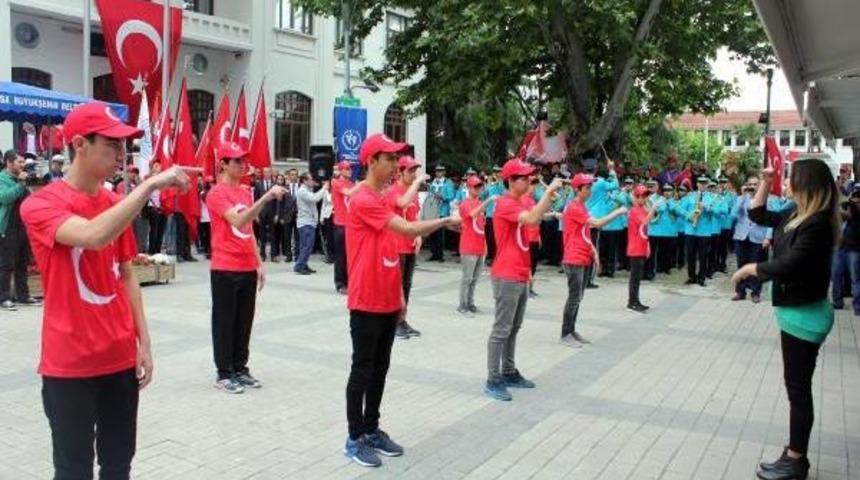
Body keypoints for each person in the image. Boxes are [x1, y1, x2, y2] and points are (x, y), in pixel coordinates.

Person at [20, 102, 195, 479]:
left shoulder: (116, 202)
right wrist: (150, 184)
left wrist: (144, 342)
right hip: (70, 363)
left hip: (118, 357)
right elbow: (92, 236)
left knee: (118, 465)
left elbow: (127, 274)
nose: (121, 153)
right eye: (112, 144)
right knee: (73, 469)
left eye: (124, 145)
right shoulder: (40, 204)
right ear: (79, 144)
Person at [343, 133, 456, 468]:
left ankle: (372, 428)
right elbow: (406, 232)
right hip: (365, 299)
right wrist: (448, 220)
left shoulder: (382, 197)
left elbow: (391, 249)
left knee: (381, 368)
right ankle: (354, 437)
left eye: (397, 159)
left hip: (386, 299)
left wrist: (399, 297)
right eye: (390, 159)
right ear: (371, 161)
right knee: (362, 369)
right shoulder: (364, 198)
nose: (395, 165)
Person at [732, 160, 839, 480]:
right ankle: (794, 454)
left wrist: (750, 269)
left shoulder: (817, 223)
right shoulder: (797, 213)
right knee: (797, 387)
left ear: (806, 183)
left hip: (805, 316)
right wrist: (766, 182)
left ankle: (796, 461)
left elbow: (791, 264)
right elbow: (758, 215)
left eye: (791, 178)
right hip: (796, 312)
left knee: (798, 389)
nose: (787, 182)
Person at [206, 142, 286, 394]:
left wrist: (258, 263)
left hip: (245, 267)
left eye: (244, 161)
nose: (243, 165)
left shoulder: (244, 192)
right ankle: (224, 372)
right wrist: (266, 197)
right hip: (224, 268)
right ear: (223, 164)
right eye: (237, 161)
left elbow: (248, 229)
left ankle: (240, 367)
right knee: (224, 321)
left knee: (244, 321)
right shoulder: (217, 193)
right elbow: (238, 219)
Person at [484, 158, 563, 402]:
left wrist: (548, 198)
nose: (529, 180)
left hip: (519, 272)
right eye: (523, 177)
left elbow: (535, 218)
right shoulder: (506, 203)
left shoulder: (520, 201)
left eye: (529, 176)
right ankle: (493, 378)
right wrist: (548, 192)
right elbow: (530, 220)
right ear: (510, 181)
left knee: (514, 327)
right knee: (501, 329)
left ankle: (508, 371)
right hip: (506, 273)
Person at [560, 173, 626, 347]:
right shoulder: (574, 207)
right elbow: (596, 223)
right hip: (573, 258)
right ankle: (565, 333)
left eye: (590, 187)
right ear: (577, 189)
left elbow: (584, 232)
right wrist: (618, 212)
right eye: (587, 188)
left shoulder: (582, 206)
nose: (590, 191)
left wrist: (593, 251)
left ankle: (571, 331)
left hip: (582, 256)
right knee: (574, 297)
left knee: (578, 297)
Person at [384, 156, 428, 339]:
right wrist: (417, 182)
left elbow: (415, 215)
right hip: (396, 246)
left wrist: (418, 235)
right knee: (397, 287)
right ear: (399, 172)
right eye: (410, 170)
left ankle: (402, 320)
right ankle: (393, 324)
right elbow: (402, 203)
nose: (413, 174)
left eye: (415, 170)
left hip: (409, 246)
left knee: (407, 286)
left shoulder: (413, 192)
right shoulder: (393, 190)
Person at [0, 150, 40, 311]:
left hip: (23, 225)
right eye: (20, 162)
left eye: (23, 162)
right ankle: (4, 297)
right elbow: (5, 198)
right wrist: (20, 185)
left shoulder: (22, 178)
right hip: (7, 225)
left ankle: (23, 295)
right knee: (7, 263)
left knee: (22, 262)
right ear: (9, 163)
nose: (23, 165)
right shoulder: (2, 178)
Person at [457, 175, 496, 316]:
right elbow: (473, 214)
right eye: (475, 186)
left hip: (479, 247)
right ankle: (462, 305)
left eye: (480, 186)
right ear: (468, 188)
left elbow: (481, 227)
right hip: (468, 247)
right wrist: (489, 201)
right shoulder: (465, 204)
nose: (478, 189)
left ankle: (470, 303)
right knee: (467, 278)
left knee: (474, 279)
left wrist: (485, 246)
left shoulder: (479, 203)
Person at [732, 177, 770, 303]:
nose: (752, 187)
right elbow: (733, 215)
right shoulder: (741, 199)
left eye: (755, 184)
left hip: (758, 236)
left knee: (755, 266)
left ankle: (755, 292)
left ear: (759, 186)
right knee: (741, 264)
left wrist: (768, 237)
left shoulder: (765, 199)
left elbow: (771, 220)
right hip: (741, 235)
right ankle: (740, 291)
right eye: (750, 184)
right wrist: (742, 197)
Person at [831, 183, 860, 314]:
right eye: (854, 194)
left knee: (855, 279)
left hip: (854, 249)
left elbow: (848, 215)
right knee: (836, 276)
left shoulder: (855, 210)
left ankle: (858, 307)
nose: (856, 198)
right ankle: (837, 303)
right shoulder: (845, 205)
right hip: (839, 247)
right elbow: (840, 213)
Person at [681, 176, 715, 286]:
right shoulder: (690, 196)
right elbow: (681, 209)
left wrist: (706, 208)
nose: (702, 185)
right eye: (701, 183)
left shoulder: (712, 197)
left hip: (704, 231)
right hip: (691, 230)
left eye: (705, 183)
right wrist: (689, 216)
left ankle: (701, 279)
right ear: (697, 184)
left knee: (703, 256)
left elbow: (716, 212)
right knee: (690, 255)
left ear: (707, 184)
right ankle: (691, 277)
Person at [627, 185, 656, 313]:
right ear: (636, 197)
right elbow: (644, 222)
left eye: (645, 196)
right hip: (635, 247)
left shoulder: (642, 209)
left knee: (638, 276)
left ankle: (635, 300)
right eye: (642, 196)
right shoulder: (635, 210)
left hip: (642, 245)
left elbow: (645, 230)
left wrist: (648, 245)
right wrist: (653, 209)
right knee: (635, 277)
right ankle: (632, 301)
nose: (644, 198)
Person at [331, 162, 358, 294]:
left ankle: (350, 282)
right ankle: (340, 283)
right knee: (341, 256)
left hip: (351, 225)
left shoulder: (353, 184)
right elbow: (348, 193)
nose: (350, 171)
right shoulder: (336, 183)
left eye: (350, 168)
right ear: (341, 171)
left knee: (350, 255)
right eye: (347, 169)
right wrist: (363, 185)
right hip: (340, 224)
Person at [295, 172, 329, 275]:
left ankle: (304, 264)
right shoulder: (302, 191)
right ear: (304, 181)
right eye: (310, 179)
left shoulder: (307, 189)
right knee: (306, 246)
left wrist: (318, 184)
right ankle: (299, 266)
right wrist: (324, 188)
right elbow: (315, 198)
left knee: (307, 246)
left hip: (309, 222)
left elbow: (314, 191)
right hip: (305, 222)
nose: (312, 181)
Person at [427, 165, 455, 262]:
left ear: (444, 172)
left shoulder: (448, 182)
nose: (438, 173)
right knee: (432, 233)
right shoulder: (433, 183)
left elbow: (451, 196)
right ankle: (434, 254)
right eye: (437, 171)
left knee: (440, 234)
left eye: (440, 171)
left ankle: (440, 255)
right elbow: (429, 194)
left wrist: (442, 196)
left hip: (442, 211)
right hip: (433, 211)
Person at [649, 184, 679, 275]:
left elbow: (677, 212)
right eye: (665, 190)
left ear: (672, 192)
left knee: (667, 250)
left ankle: (666, 268)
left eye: (669, 190)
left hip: (670, 230)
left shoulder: (675, 202)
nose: (667, 192)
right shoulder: (657, 201)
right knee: (655, 251)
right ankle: (655, 268)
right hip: (657, 229)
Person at [272, 173, 298, 263]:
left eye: (295, 175)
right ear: (289, 176)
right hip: (287, 216)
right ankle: (289, 255)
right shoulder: (283, 188)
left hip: (299, 215)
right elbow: (280, 203)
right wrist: (281, 216)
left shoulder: (301, 187)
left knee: (297, 236)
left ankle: (297, 255)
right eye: (291, 175)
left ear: (297, 176)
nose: (293, 176)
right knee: (287, 237)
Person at [483, 165, 505, 266]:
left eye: (498, 172)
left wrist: (499, 181)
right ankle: (491, 255)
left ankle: (497, 257)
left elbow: (504, 193)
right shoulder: (491, 184)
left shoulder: (503, 184)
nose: (496, 174)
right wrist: (488, 184)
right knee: (488, 237)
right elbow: (483, 195)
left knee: (495, 237)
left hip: (498, 215)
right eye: (495, 172)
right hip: (489, 214)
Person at [253, 167, 277, 262]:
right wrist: (256, 214)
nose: (266, 173)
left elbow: (278, 201)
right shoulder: (258, 185)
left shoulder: (275, 185)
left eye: (268, 172)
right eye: (265, 172)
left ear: (271, 173)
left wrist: (277, 214)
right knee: (262, 235)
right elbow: (256, 200)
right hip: (262, 213)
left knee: (273, 235)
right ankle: (262, 255)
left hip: (272, 213)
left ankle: (273, 255)